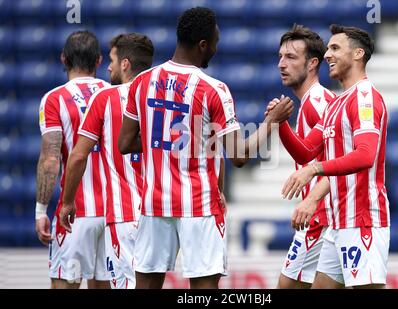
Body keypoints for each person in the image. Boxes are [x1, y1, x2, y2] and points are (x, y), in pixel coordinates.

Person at [118, 7, 293, 289]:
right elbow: (237, 156)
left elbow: (124, 143)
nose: (216, 48)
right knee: (204, 291)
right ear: (203, 45)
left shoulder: (141, 83)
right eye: (215, 42)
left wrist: (167, 140)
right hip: (199, 206)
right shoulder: (214, 89)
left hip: (154, 204)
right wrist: (270, 122)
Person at [269, 24, 390, 289]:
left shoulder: (365, 98)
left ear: (358, 54)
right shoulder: (336, 103)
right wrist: (281, 123)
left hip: (362, 220)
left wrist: (314, 172)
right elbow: (306, 151)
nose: (327, 55)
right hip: (338, 222)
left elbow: (366, 155)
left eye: (335, 48)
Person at [59, 33, 154, 289]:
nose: (108, 67)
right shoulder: (162, 98)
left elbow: (78, 156)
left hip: (124, 214)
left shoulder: (105, 99)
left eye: (112, 60)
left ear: (125, 64)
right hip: (159, 213)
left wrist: (68, 201)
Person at [35, 30, 110, 289]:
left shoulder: (54, 99)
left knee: (65, 285)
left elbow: (50, 160)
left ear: (63, 59)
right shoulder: (116, 94)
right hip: (116, 214)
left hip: (75, 213)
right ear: (99, 61)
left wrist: (40, 210)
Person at [269, 24, 336, 289]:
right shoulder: (313, 101)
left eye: (291, 57)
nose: (281, 64)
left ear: (312, 64)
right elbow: (308, 152)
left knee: (288, 286)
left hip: (322, 217)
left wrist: (312, 199)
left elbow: (344, 159)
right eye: (280, 57)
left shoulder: (317, 101)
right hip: (327, 215)